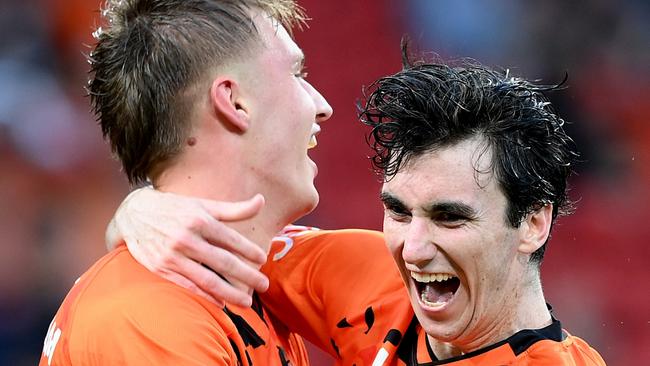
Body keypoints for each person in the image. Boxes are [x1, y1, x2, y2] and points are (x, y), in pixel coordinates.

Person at [109, 48, 606, 365]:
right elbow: (199, 246)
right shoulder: (365, 274)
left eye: (449, 216)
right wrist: (141, 210)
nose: (413, 250)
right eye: (399, 212)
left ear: (533, 222)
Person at [39, 0, 333, 364]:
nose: (322, 106)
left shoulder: (249, 278)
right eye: (297, 74)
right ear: (234, 102)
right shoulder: (148, 314)